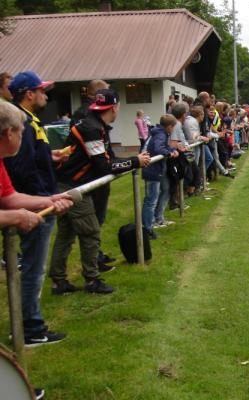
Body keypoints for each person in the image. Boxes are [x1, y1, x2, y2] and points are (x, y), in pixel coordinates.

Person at [49, 89, 150, 295]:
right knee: (90, 231)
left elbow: (107, 160)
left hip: (67, 184)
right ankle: (92, 280)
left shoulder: (94, 123)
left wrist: (129, 161)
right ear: (114, 108)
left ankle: (59, 282)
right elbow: (104, 166)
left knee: (66, 235)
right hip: (74, 187)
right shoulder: (92, 128)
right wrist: (135, 161)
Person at [4, 71, 74, 347]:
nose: (46, 96)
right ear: (29, 94)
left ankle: (30, 324)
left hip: (37, 200)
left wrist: (50, 156)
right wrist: (43, 198)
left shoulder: (31, 122)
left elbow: (30, 159)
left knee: (34, 267)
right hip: (33, 205)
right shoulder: (19, 122)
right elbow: (19, 168)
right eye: (42, 91)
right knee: (33, 269)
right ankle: (30, 328)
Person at [70, 80, 116, 268]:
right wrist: (110, 163)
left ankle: (97, 253)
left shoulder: (95, 117)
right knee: (91, 222)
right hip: (88, 175)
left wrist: (113, 160)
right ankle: (93, 259)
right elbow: (95, 152)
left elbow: (105, 145)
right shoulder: (85, 115)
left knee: (98, 219)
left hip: (98, 171)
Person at [142, 114, 179, 239]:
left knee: (157, 195)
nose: (173, 130)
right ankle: (148, 229)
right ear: (169, 126)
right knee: (151, 201)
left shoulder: (160, 132)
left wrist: (170, 149)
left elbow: (162, 146)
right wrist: (169, 153)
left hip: (154, 170)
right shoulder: (160, 134)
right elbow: (158, 148)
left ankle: (153, 224)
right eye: (173, 127)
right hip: (152, 170)